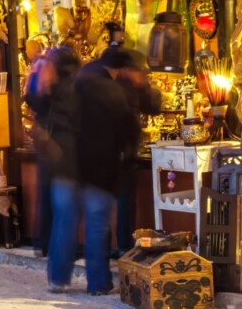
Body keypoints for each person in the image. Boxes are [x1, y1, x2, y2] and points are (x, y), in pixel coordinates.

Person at [48, 46, 142, 295]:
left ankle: (57, 279)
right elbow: (130, 133)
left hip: (67, 169)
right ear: (120, 70)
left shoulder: (70, 87)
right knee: (96, 227)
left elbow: (51, 123)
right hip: (100, 170)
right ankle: (98, 284)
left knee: (64, 224)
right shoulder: (116, 93)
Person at [24, 47, 81, 258]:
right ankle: (57, 246)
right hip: (61, 148)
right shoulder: (70, 87)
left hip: (48, 145)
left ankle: (45, 243)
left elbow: (32, 101)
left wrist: (39, 82)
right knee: (61, 201)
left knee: (48, 196)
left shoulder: (51, 84)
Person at [111, 47, 162, 255]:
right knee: (121, 202)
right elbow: (151, 107)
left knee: (123, 202)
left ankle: (121, 246)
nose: (143, 75)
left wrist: (148, 87)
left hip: (122, 153)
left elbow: (152, 107)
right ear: (128, 70)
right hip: (119, 153)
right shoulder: (121, 90)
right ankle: (123, 247)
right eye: (141, 72)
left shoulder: (130, 88)